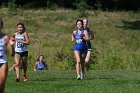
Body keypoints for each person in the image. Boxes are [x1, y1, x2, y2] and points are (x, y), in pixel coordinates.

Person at [0, 19, 14, 93]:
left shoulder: (5, 37)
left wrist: (12, 46)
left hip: (2, 62)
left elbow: (12, 54)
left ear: (1, 26)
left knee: (1, 86)